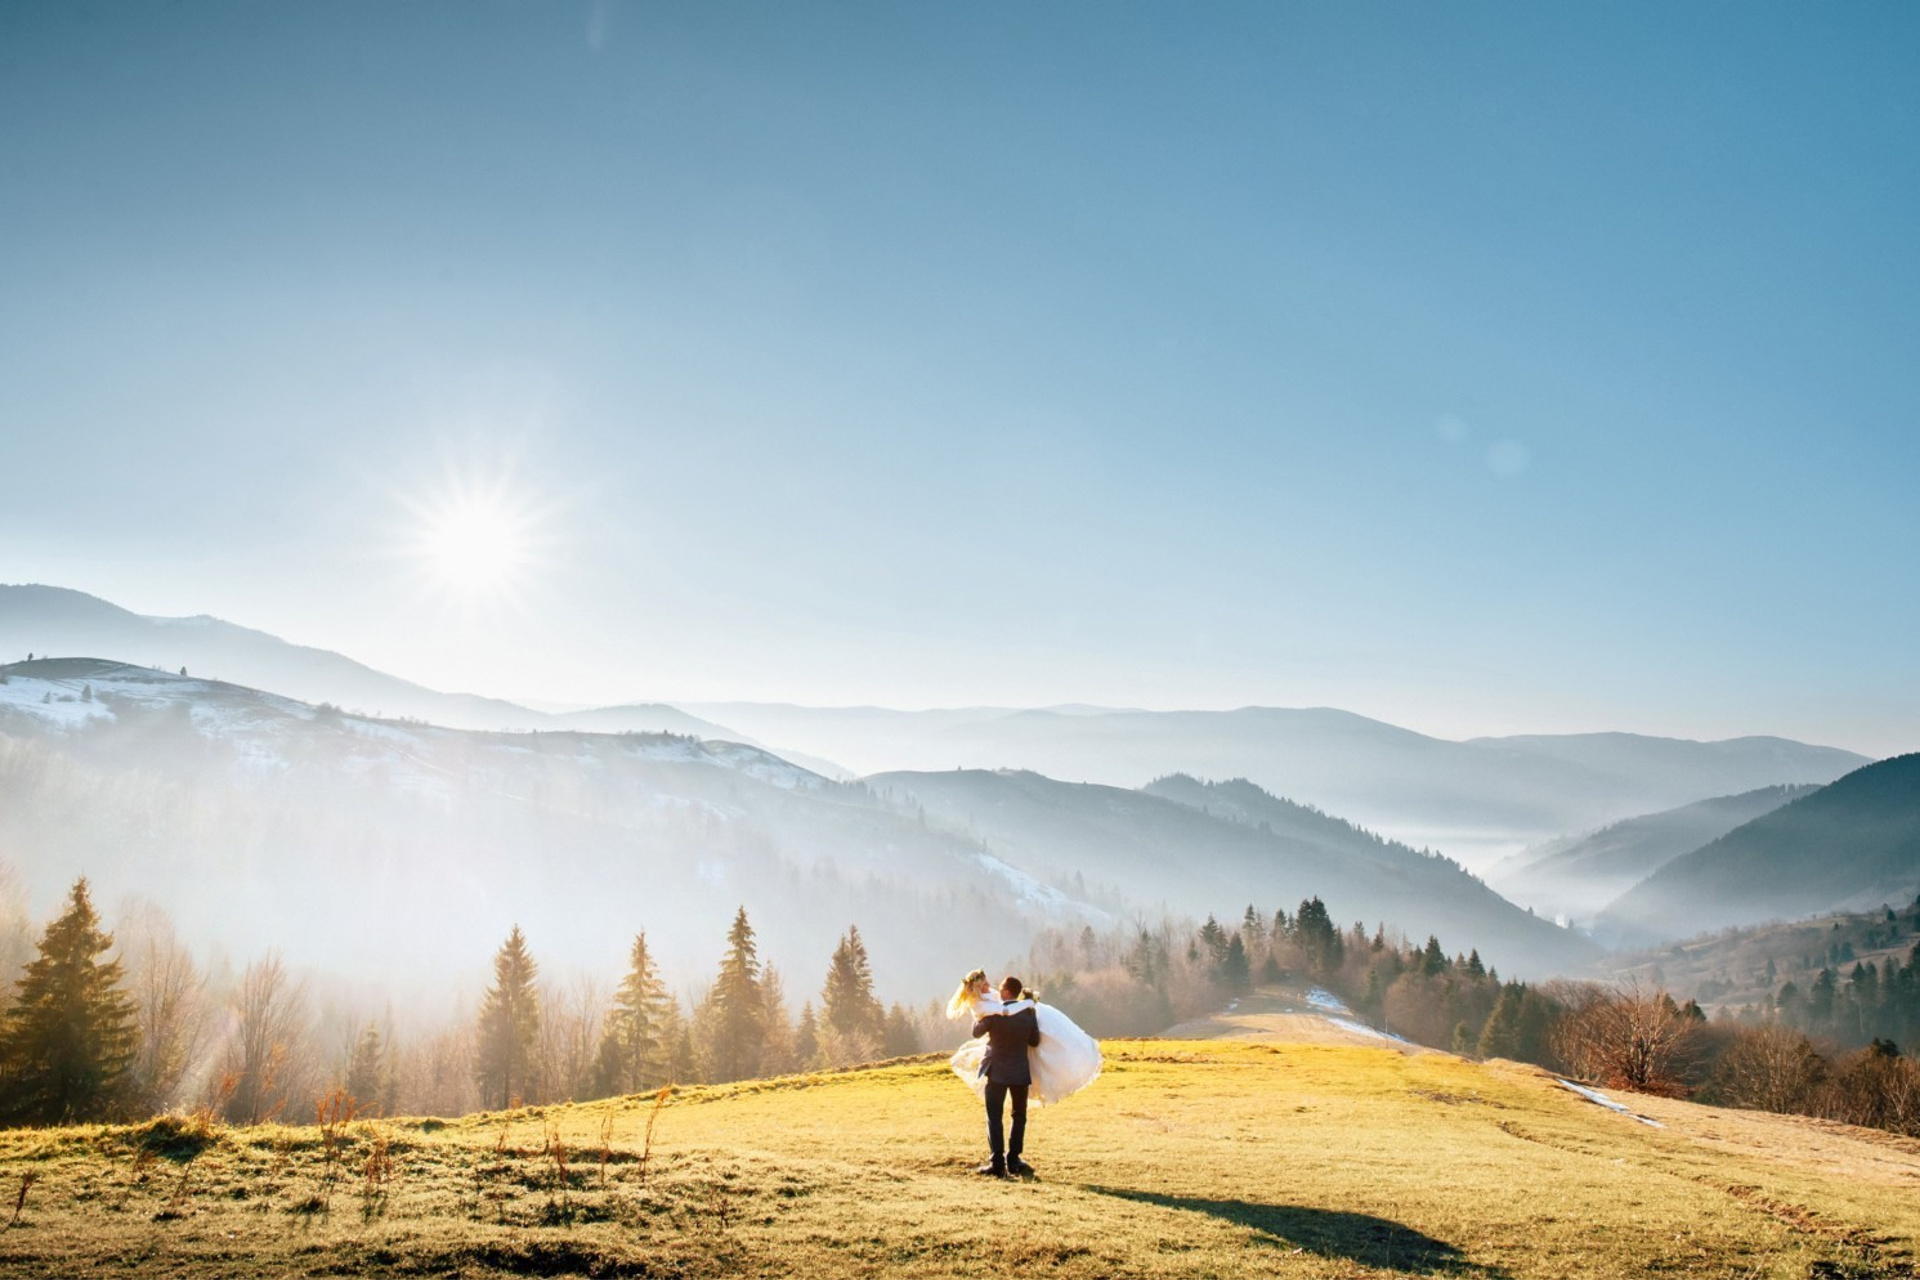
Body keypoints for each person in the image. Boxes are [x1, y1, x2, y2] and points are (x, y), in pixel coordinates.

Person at [948, 968, 1103, 1176]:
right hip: (1020, 1070)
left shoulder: (993, 1013)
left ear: (1005, 992)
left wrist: (979, 1017)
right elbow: (1034, 1040)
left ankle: (997, 1164)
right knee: (1018, 1116)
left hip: (996, 1071)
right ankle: (1014, 1160)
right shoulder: (1028, 1013)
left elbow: (976, 1032)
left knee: (994, 1116)